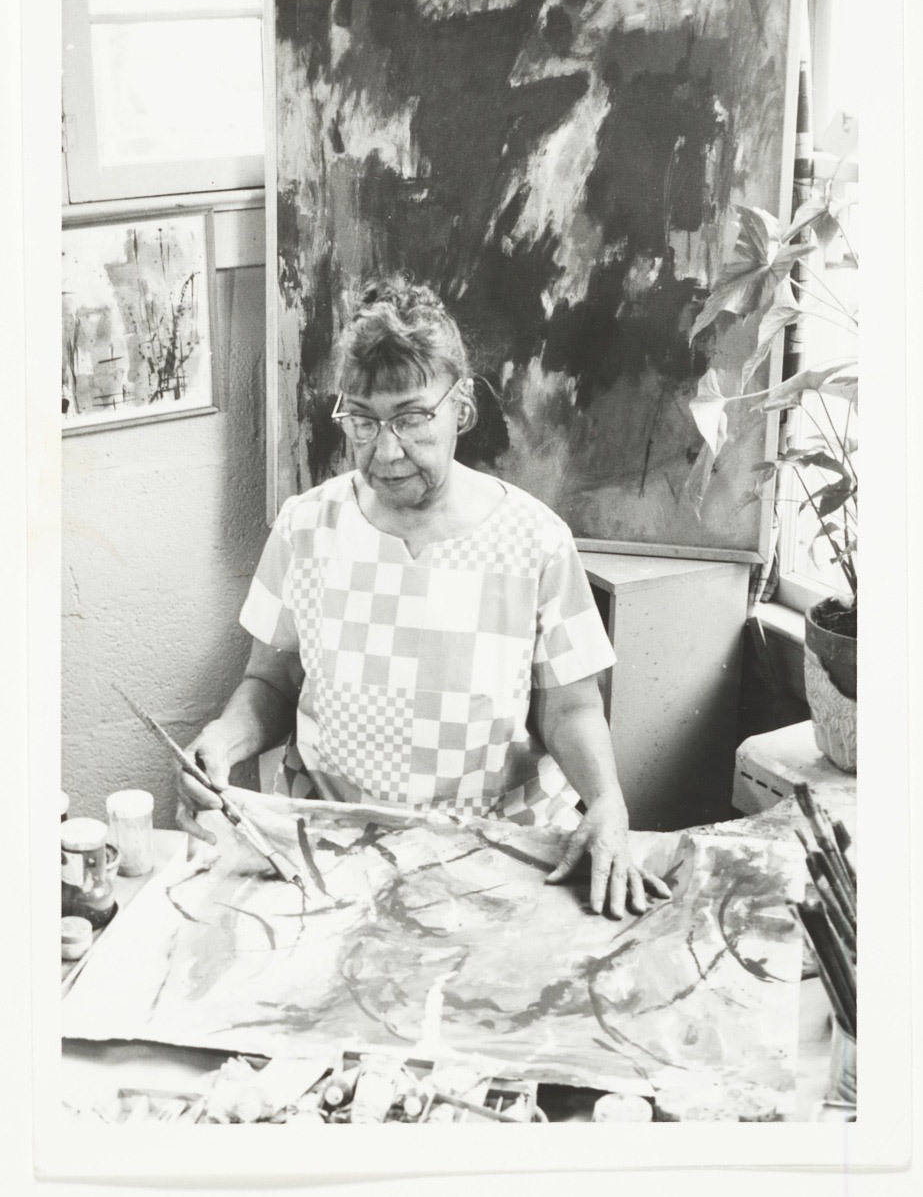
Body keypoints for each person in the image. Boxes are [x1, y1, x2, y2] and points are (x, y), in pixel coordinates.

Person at [178, 276, 670, 918]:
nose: (385, 450)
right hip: (333, 852)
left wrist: (606, 801)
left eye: (411, 418)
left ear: (460, 406)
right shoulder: (305, 528)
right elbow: (271, 683)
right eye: (362, 420)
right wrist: (223, 739)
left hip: (498, 855)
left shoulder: (536, 541)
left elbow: (569, 709)